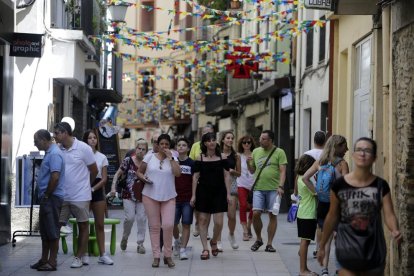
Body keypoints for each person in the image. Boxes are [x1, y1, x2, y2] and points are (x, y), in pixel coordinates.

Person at [317, 137, 402, 275]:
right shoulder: (339, 186)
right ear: (353, 155)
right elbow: (332, 216)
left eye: (367, 151)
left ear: (374, 158)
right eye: (359, 150)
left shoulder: (380, 185)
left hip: (373, 252)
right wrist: (322, 246)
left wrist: (394, 229)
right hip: (347, 250)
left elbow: (389, 214)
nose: (362, 154)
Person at [303, 134, 349, 276]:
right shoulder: (342, 164)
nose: (346, 149)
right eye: (344, 146)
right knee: (341, 237)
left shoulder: (320, 162)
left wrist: (316, 192)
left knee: (326, 237)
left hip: (322, 204)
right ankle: (340, 268)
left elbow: (305, 178)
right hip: (337, 205)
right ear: (337, 146)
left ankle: (324, 270)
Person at [54, 122, 98, 268]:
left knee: (83, 226)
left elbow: (94, 170)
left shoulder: (83, 148)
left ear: (65, 133)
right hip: (62, 196)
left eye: (57, 133)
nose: (55, 136)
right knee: (57, 225)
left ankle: (79, 257)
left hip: (80, 195)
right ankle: (51, 258)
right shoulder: (57, 149)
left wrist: (87, 185)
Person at [137, 134, 181, 268]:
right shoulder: (149, 156)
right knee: (155, 227)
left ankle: (168, 255)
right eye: (161, 144)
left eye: (167, 144)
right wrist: (144, 179)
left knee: (168, 225)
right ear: (157, 145)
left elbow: (178, 173)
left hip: (169, 196)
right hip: (150, 195)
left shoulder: (173, 157)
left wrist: (171, 158)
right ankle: (156, 256)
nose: (164, 147)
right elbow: (139, 172)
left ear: (170, 146)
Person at [190, 132, 232, 260]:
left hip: (219, 191)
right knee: (202, 220)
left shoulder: (223, 157)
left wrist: (228, 194)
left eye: (213, 140)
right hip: (203, 191)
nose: (212, 142)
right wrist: (193, 195)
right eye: (209, 140)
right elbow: (195, 177)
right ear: (204, 143)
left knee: (218, 222)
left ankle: (214, 241)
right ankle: (205, 248)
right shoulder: (199, 158)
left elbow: (227, 175)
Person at [30, 129, 65, 271]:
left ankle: (52, 262)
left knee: (52, 230)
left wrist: (47, 195)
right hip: (47, 197)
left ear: (44, 140)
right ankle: (44, 259)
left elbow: (55, 177)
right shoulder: (50, 153)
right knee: (45, 231)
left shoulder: (55, 154)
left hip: (51, 198)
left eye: (36, 141)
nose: (35, 144)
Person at [247, 130, 287, 253]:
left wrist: (281, 186)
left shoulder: (279, 152)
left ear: (270, 140)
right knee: (256, 213)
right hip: (258, 187)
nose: (260, 141)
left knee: (272, 215)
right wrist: (248, 163)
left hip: (274, 189)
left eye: (263, 139)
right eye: (260, 138)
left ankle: (269, 244)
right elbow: (252, 171)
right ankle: (259, 238)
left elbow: (282, 171)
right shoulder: (255, 151)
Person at [110, 139, 149, 254]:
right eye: (139, 148)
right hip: (128, 194)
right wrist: (113, 187)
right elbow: (117, 174)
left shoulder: (147, 162)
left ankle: (140, 244)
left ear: (146, 151)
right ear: (135, 148)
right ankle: (125, 237)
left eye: (143, 149)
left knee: (142, 219)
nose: (140, 151)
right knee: (130, 218)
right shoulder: (128, 161)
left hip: (142, 195)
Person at [82, 130, 113, 265]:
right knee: (83, 224)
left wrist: (93, 188)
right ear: (86, 140)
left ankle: (103, 254)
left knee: (100, 224)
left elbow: (105, 179)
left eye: (95, 138)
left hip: (97, 189)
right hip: (82, 189)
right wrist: (86, 188)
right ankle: (83, 254)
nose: (93, 140)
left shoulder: (102, 157)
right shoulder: (81, 155)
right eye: (90, 138)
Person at [298, 130, 326, 258]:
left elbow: (300, 175)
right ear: (325, 141)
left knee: (306, 232)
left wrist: (295, 192)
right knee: (320, 223)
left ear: (314, 140)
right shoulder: (326, 156)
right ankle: (318, 247)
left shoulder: (306, 154)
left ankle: (303, 249)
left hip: (307, 193)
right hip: (321, 190)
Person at [217, 131, 240, 251]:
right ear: (223, 140)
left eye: (232, 138)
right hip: (219, 186)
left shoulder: (236, 156)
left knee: (231, 216)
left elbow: (239, 173)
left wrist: (232, 171)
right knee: (219, 215)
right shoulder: (217, 154)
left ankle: (231, 234)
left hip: (232, 185)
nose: (230, 140)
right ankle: (219, 240)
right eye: (228, 138)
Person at [295, 154, 318, 276]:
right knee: (304, 242)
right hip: (307, 214)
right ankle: (302, 270)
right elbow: (316, 193)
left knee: (306, 241)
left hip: (305, 212)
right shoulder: (305, 180)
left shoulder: (299, 177)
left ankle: (305, 268)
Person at [189, 124, 214, 237]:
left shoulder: (215, 146)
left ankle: (205, 229)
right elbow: (191, 161)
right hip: (198, 179)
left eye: (209, 132)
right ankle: (198, 224)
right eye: (204, 132)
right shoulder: (195, 145)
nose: (206, 134)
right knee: (197, 205)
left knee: (208, 207)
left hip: (211, 181)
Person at [172, 138, 195, 260]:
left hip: (187, 199)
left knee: (186, 224)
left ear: (188, 148)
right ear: (176, 147)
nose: (181, 147)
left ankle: (183, 249)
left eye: (184, 145)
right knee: (173, 224)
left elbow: (195, 181)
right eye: (179, 145)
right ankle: (176, 240)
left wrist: (194, 196)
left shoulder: (192, 163)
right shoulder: (172, 162)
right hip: (174, 199)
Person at [236, 135, 256, 241]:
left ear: (252, 143)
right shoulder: (238, 155)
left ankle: (249, 224)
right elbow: (237, 171)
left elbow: (254, 170)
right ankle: (244, 230)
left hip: (253, 184)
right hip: (242, 184)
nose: (247, 144)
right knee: (243, 205)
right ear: (241, 144)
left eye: (249, 142)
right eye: (244, 143)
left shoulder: (255, 154)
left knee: (254, 207)